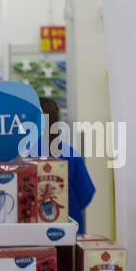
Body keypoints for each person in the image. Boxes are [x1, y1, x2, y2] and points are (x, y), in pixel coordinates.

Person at [38, 96, 97, 234]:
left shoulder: (26, 155)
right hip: (70, 230)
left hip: (37, 233)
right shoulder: (70, 153)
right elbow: (86, 193)